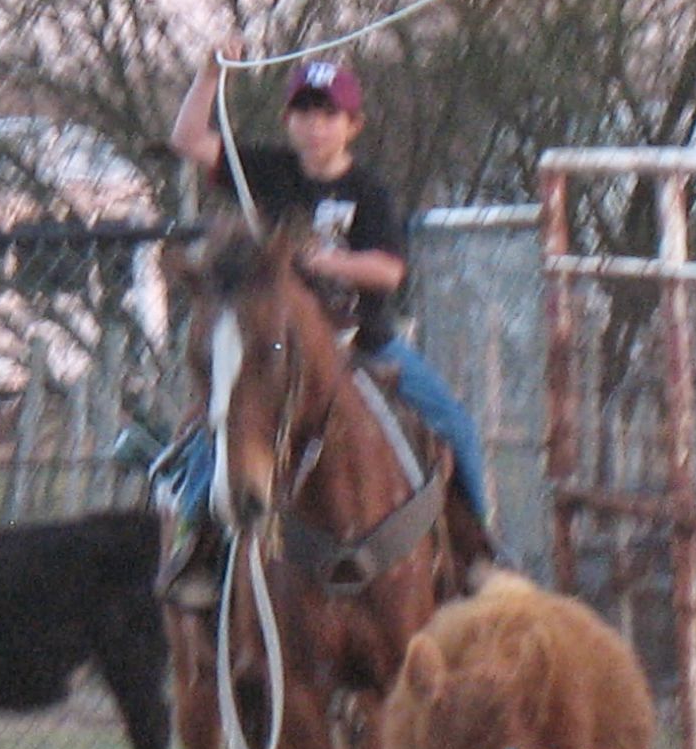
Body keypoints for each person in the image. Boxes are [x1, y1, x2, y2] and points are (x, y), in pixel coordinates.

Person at [152, 44, 495, 604]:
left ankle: (477, 549)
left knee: (454, 426)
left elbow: (386, 271)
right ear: (288, 120)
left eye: (328, 114)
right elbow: (189, 139)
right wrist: (211, 71)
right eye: (304, 113)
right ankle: (196, 551)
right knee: (218, 430)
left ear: (352, 125)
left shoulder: (369, 193)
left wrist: (324, 261)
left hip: (362, 343)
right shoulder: (266, 171)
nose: (315, 126)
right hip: (278, 349)